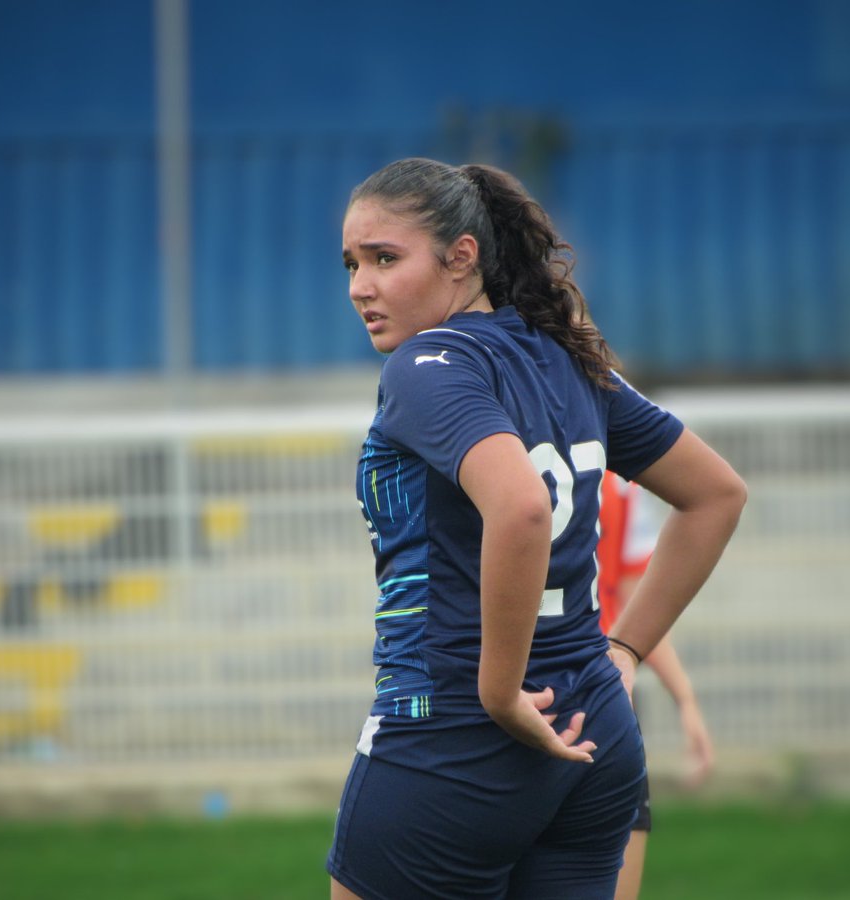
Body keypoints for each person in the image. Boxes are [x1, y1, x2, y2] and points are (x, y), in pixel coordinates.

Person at [327, 157, 746, 900]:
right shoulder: (566, 355)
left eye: (386, 259)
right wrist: (625, 650)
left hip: (455, 733)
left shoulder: (426, 366)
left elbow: (522, 506)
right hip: (594, 727)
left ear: (463, 257)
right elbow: (717, 494)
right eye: (353, 263)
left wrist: (498, 695)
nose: (361, 285)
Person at [597, 474, 715, 900]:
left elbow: (633, 600)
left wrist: (684, 698)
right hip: (580, 700)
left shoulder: (618, 478)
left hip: (604, 701)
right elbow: (720, 494)